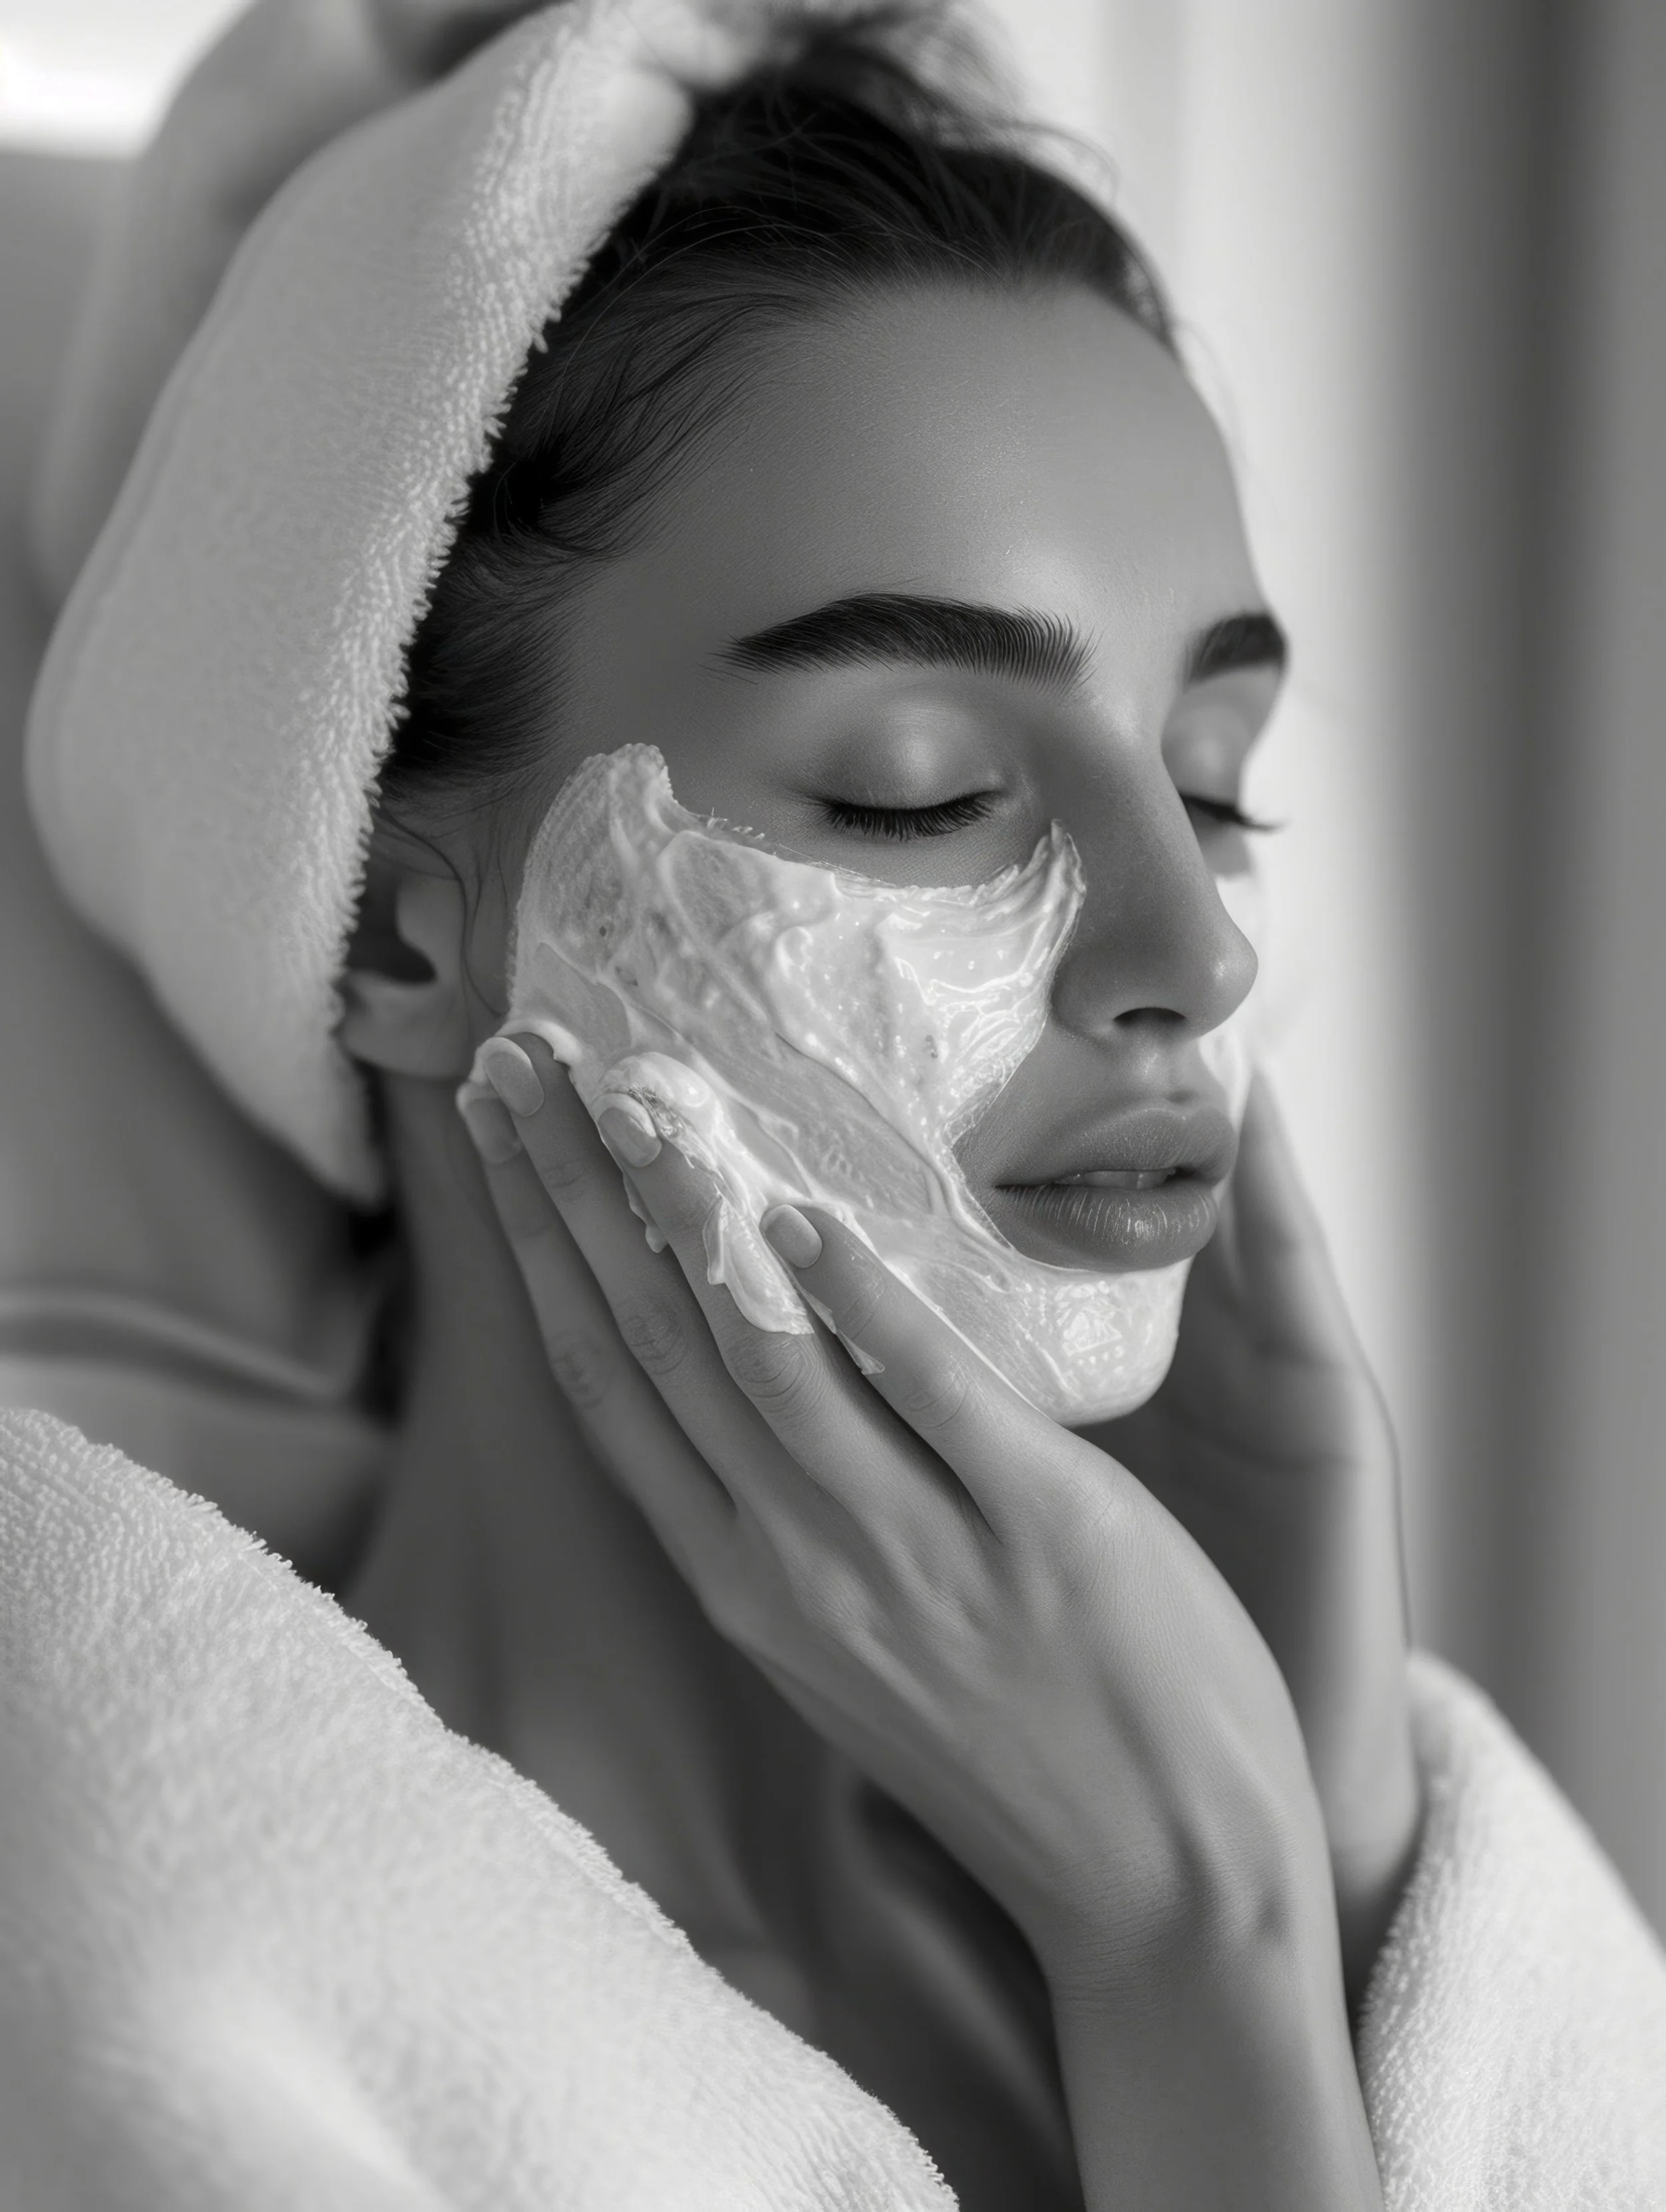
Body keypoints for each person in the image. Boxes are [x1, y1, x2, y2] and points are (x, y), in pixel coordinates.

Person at [7, 4, 1665, 2209]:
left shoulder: (1364, 1867)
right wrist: (1199, 1945)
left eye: (1212, 780)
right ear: (399, 944)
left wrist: (1339, 1850)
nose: (1193, 945)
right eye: (928, 793)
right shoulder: (146, 2011)